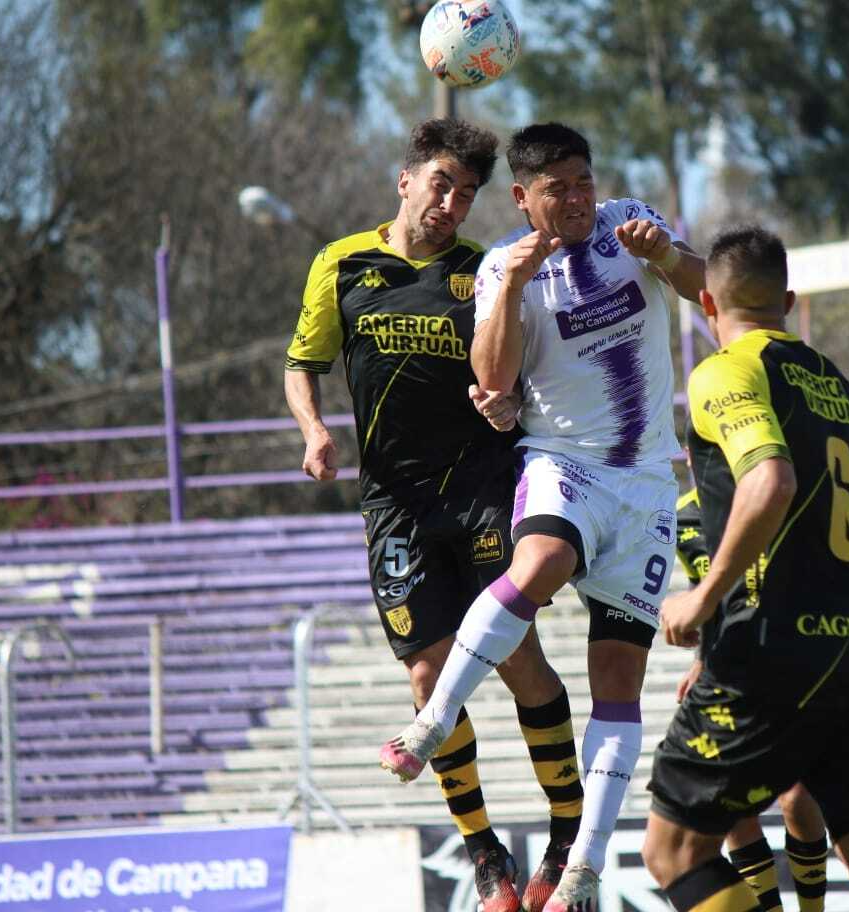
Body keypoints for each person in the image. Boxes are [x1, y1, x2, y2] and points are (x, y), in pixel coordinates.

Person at [380, 121, 706, 912]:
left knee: (619, 683)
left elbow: (712, 290)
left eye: (584, 180)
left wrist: (663, 255)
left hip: (646, 486)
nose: (578, 200)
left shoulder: (634, 224)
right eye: (557, 188)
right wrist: (520, 284)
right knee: (539, 567)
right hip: (564, 466)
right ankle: (434, 721)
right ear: (524, 199)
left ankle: (585, 867)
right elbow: (490, 374)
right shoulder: (502, 267)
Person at [284, 118, 584, 912]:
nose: (452, 202)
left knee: (516, 661)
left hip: (484, 488)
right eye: (441, 184)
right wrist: (314, 431)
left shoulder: (481, 271)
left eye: (467, 193)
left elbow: (513, 370)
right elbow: (302, 364)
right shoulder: (341, 264)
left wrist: (505, 400)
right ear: (406, 180)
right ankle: (483, 851)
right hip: (395, 504)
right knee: (426, 675)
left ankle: (567, 826)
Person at [642, 226, 849, 912]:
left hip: (773, 649)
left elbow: (770, 484)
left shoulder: (725, 371)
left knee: (672, 851)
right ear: (787, 300)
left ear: (707, 304)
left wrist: (703, 598)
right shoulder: (843, 392)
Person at [674, 487, 831, 912]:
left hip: (795, 666)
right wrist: (701, 661)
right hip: (728, 676)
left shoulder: (777, 494)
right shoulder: (683, 516)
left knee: (797, 796)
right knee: (731, 806)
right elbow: (706, 592)